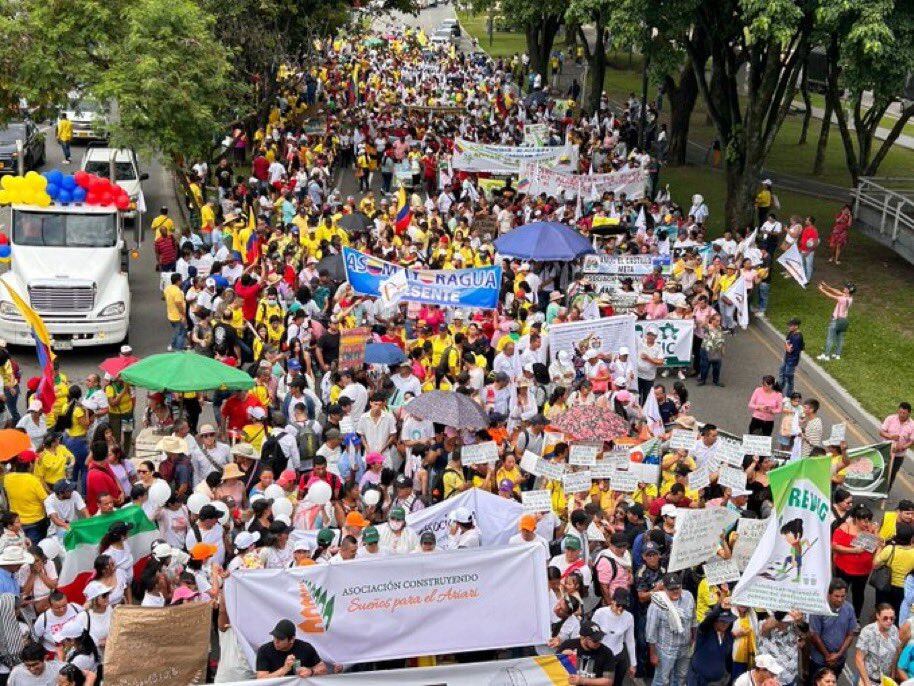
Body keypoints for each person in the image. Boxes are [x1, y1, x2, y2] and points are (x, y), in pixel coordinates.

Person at [645, 573, 694, 686]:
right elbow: (650, 631)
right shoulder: (657, 604)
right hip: (666, 649)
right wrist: (653, 654)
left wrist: (693, 639)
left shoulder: (689, 596)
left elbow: (693, 619)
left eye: (678, 588)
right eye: (671, 589)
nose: (675, 591)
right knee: (661, 681)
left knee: (681, 678)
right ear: (664, 588)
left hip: (685, 647)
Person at [806, 579, 857, 678]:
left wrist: (839, 654)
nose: (840, 599)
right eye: (836, 596)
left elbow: (850, 634)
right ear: (829, 595)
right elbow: (814, 636)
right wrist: (827, 656)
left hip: (839, 660)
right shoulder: (818, 609)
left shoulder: (849, 608)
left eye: (843, 596)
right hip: (819, 660)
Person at [255, 619, 331, 678]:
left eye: (281, 639)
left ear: (292, 639)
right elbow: (261, 679)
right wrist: (284, 669)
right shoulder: (264, 650)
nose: (276, 641)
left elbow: (323, 669)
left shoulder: (305, 648)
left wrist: (311, 671)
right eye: (275, 637)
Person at [557, 619, 616, 686]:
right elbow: (554, 670)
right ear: (583, 638)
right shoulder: (568, 645)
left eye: (600, 638)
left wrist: (582, 681)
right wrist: (561, 657)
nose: (598, 642)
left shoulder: (606, 652)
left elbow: (608, 682)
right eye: (595, 640)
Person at [854, 603, 900, 686]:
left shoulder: (894, 630)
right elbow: (859, 659)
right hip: (868, 679)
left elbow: (895, 655)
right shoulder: (868, 632)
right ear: (878, 616)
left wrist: (892, 677)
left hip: (885, 681)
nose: (889, 621)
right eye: (885, 618)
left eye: (892, 618)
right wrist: (867, 683)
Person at [816, 282, 854, 362]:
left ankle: (826, 355)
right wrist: (827, 286)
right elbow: (837, 291)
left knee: (830, 338)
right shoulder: (850, 298)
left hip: (836, 320)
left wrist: (822, 289)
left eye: (846, 287)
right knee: (840, 338)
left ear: (848, 291)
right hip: (844, 321)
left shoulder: (842, 299)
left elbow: (831, 296)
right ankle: (837, 355)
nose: (844, 288)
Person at [880, 402, 914, 490]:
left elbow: (911, 441)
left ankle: (886, 492)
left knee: (892, 474)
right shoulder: (890, 418)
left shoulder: (912, 425)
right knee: (881, 470)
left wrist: (902, 448)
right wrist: (890, 436)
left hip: (899, 456)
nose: (902, 415)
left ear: (909, 413)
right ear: (898, 411)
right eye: (900, 412)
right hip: (885, 451)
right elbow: (881, 432)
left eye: (904, 413)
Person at [779, 318, 804, 397]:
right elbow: (787, 343)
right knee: (782, 372)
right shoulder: (791, 333)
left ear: (796, 326)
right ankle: (779, 390)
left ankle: (789, 396)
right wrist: (787, 346)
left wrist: (788, 347)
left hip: (791, 361)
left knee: (789, 378)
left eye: (791, 325)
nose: (789, 326)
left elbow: (791, 350)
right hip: (787, 357)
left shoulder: (797, 337)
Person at [163, 273, 187, 351]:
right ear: (178, 281)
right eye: (181, 279)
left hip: (170, 314)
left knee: (177, 331)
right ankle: (178, 349)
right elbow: (178, 304)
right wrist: (183, 315)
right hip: (177, 316)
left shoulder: (167, 288)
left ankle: (173, 345)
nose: (182, 281)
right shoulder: (178, 292)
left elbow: (164, 297)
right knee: (181, 333)